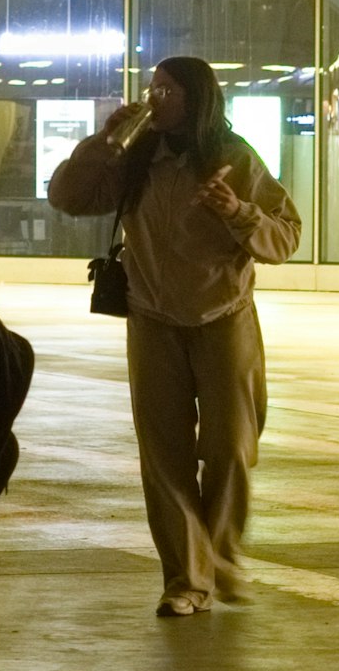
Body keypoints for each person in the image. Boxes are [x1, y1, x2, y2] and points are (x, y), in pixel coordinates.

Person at [47, 56, 301, 617]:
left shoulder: (235, 159)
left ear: (195, 99)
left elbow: (285, 236)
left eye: (167, 89)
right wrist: (105, 141)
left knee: (231, 447)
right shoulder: (135, 158)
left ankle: (222, 555)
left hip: (224, 317)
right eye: (151, 88)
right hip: (152, 318)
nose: (155, 97)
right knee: (164, 456)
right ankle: (187, 578)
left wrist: (239, 212)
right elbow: (66, 196)